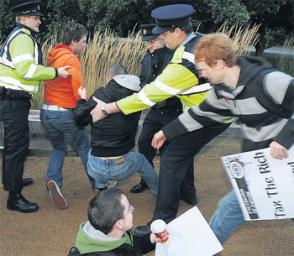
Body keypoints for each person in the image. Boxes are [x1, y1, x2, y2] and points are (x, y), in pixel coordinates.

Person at [90, 4, 229, 231]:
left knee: (172, 160)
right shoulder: (201, 41)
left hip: (209, 117)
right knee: (180, 153)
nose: (160, 38)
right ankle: (187, 195)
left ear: (176, 31)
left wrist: (107, 109)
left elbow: (147, 97)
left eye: (163, 33)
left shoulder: (185, 62)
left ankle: (162, 221)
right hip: (208, 113)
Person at [151, 32, 294, 246]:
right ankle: (203, 250)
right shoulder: (222, 92)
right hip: (261, 164)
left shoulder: (270, 80)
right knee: (231, 207)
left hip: (286, 162)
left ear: (218, 64)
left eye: (203, 69)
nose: (201, 75)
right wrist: (166, 132)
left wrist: (283, 138)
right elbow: (199, 114)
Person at [0, 0, 69, 213]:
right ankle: (14, 197)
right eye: (35, 17)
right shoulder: (22, 38)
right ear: (23, 18)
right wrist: (55, 72)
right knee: (17, 146)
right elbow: (26, 71)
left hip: (12, 99)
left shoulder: (20, 35)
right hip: (13, 100)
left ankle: (13, 181)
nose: (39, 21)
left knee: (14, 145)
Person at [73, 64, 158, 194]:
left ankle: (102, 188)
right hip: (122, 167)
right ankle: (159, 191)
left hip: (96, 167)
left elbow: (79, 120)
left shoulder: (99, 94)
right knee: (141, 160)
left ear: (109, 79)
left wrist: (83, 99)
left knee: (90, 151)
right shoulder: (136, 98)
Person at [41, 22, 91, 210]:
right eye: (84, 41)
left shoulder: (53, 54)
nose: (86, 45)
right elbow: (78, 89)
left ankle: (53, 180)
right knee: (85, 146)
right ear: (74, 41)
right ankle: (100, 185)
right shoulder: (72, 60)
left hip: (47, 112)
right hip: (63, 114)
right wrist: (84, 98)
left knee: (59, 148)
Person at [130, 24, 182, 193]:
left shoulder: (176, 58)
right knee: (144, 142)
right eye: (147, 43)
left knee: (171, 150)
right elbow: (143, 80)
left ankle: (178, 188)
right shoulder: (147, 58)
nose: (149, 45)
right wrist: (149, 91)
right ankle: (147, 179)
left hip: (173, 111)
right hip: (154, 111)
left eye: (152, 41)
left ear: (162, 39)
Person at [69, 188, 164, 256]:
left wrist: (150, 239)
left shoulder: (109, 231)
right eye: (128, 209)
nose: (132, 209)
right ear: (119, 224)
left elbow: (130, 246)